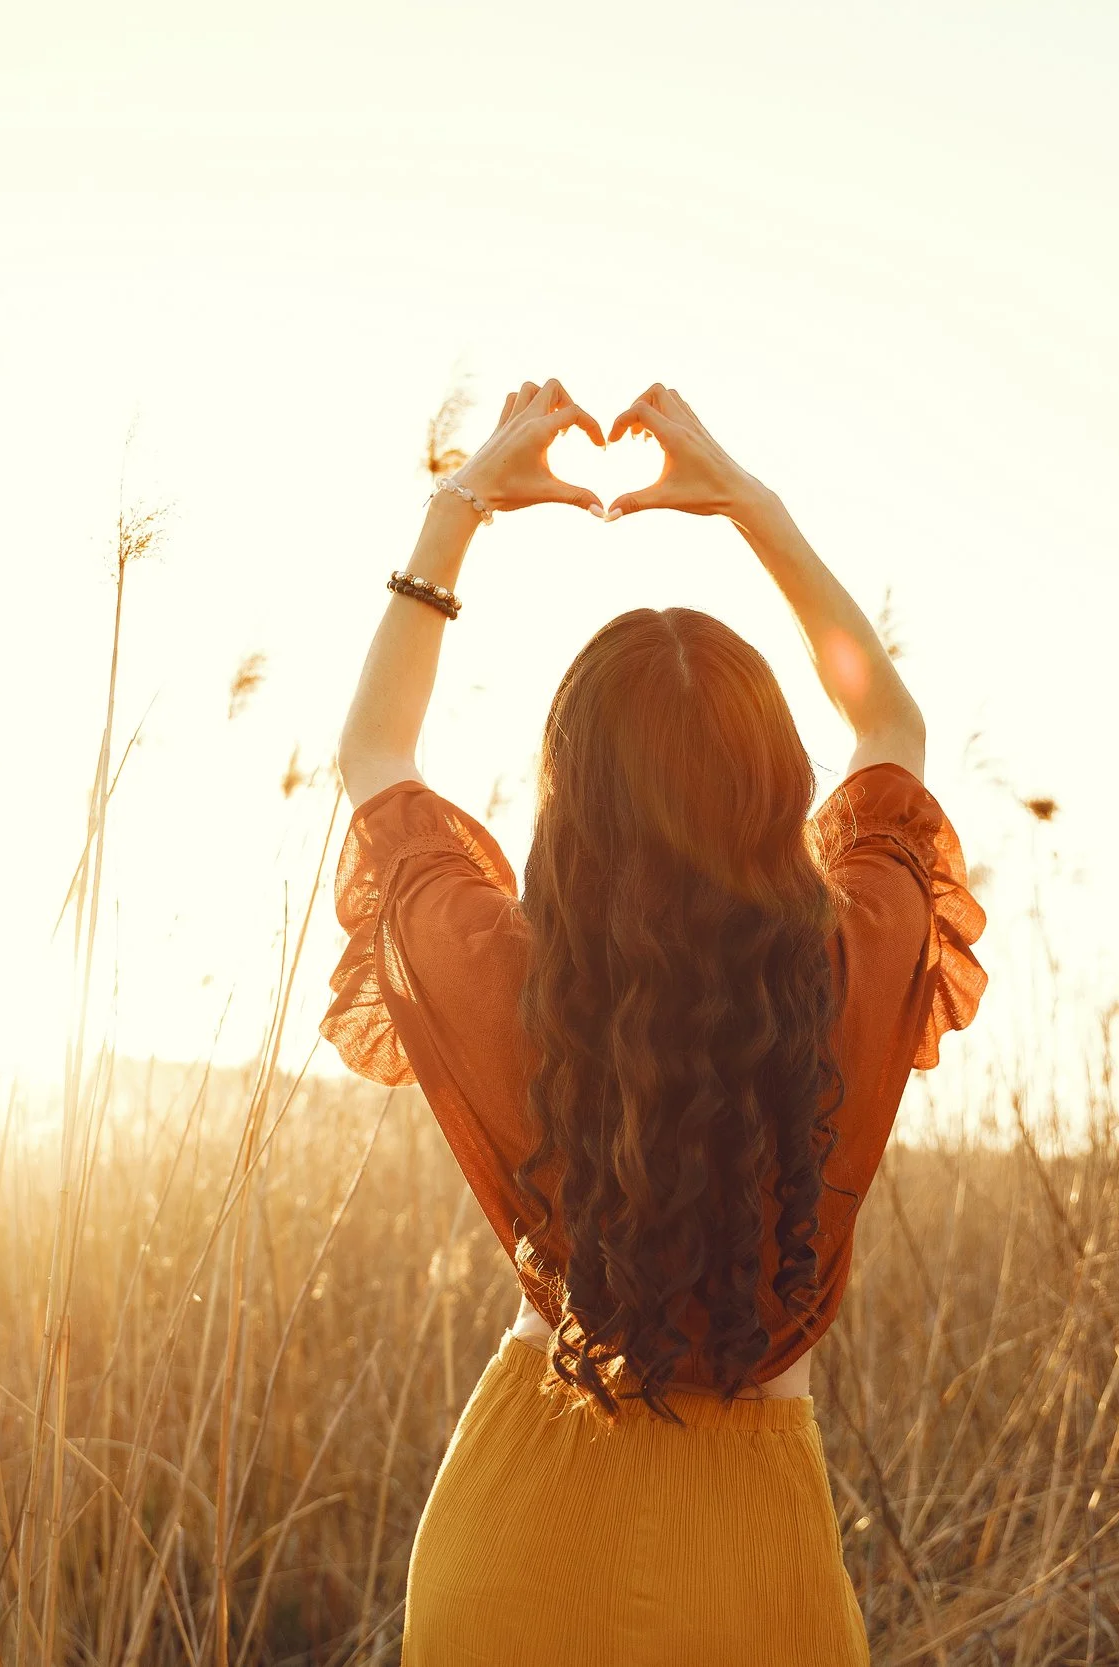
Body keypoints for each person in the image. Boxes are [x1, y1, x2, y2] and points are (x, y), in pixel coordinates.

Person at [324, 379, 987, 1663]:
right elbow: (889, 725)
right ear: (775, 788)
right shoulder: (842, 966)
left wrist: (457, 509)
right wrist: (749, 504)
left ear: (568, 803)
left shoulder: (513, 981)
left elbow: (375, 754)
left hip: (518, 1527)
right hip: (753, 1560)